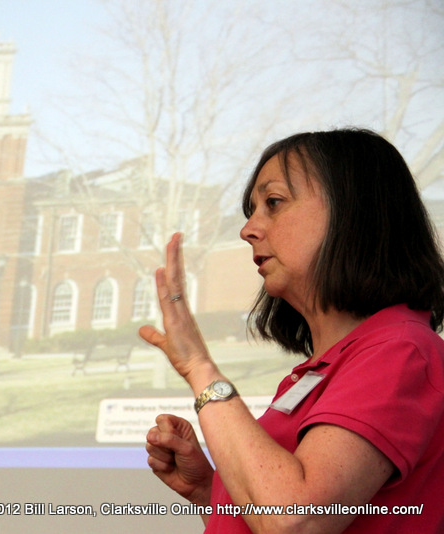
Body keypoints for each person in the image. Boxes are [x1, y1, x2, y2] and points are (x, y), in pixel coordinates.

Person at [140, 128, 444, 533]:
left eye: (274, 202)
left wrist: (200, 368)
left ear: (352, 212)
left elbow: (295, 520)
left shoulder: (401, 349)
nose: (248, 229)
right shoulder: (322, 369)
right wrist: (210, 491)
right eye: (253, 210)